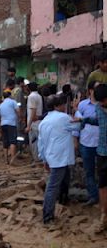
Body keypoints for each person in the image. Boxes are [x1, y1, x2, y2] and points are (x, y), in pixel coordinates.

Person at [38, 95, 80, 224]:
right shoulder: (63, 118)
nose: (64, 106)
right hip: (60, 157)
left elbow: (41, 143)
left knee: (63, 180)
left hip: (52, 156)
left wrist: (44, 159)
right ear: (57, 106)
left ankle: (63, 200)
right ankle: (47, 216)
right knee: (52, 186)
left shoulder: (44, 121)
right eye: (62, 104)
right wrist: (76, 110)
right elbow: (78, 127)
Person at [80, 84, 107, 233]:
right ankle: (104, 215)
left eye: (103, 101)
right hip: (102, 151)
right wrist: (86, 121)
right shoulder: (98, 108)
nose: (101, 105)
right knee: (103, 184)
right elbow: (100, 122)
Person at [74, 80, 99, 206]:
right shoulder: (83, 105)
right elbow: (77, 124)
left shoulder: (103, 105)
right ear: (90, 90)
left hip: (101, 145)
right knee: (89, 171)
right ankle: (93, 196)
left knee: (101, 172)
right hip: (86, 144)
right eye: (96, 88)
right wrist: (75, 142)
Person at [0, 91, 20, 165]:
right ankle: (12, 159)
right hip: (12, 124)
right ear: (10, 96)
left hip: (3, 124)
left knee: (5, 142)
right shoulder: (13, 102)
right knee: (13, 141)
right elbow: (18, 111)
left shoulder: (1, 105)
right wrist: (20, 118)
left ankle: (6, 160)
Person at [26, 82, 43, 161]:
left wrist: (28, 126)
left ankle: (36, 159)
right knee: (38, 141)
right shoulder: (39, 96)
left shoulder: (31, 97)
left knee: (33, 142)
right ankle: (39, 158)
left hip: (33, 123)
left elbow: (33, 110)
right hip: (38, 122)